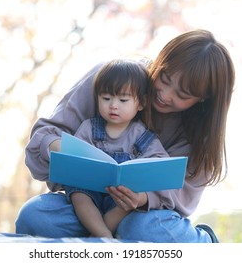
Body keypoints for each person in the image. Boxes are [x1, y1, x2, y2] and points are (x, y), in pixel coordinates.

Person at [16, 29, 235, 242]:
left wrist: (142, 198)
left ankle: (204, 243)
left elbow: (181, 196)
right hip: (84, 203)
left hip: (139, 216)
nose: (165, 95)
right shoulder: (111, 79)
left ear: (203, 99)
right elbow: (44, 135)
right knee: (35, 216)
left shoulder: (200, 133)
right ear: (160, 61)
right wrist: (67, 151)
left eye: (182, 94)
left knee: (141, 229)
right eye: (165, 78)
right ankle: (99, 236)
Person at [64, 59, 169, 238]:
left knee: (128, 202)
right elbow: (74, 156)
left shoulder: (143, 135)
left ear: (141, 103)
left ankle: (101, 234)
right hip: (90, 189)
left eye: (123, 100)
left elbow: (162, 165)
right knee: (78, 195)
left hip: (122, 197)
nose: (113, 105)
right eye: (106, 98)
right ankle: (102, 234)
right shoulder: (89, 128)